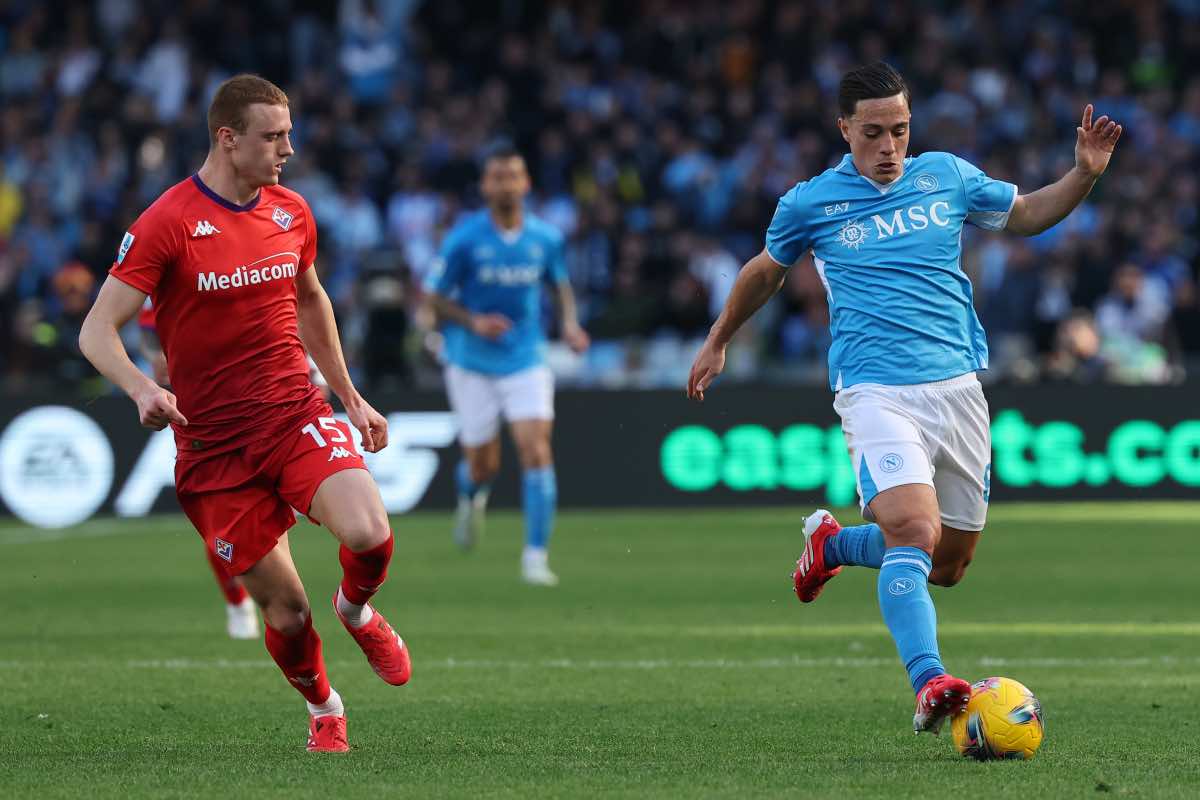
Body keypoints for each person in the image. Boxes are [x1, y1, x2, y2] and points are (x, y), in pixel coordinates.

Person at [687, 62, 1121, 736]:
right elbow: (765, 273)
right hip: (875, 391)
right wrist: (719, 339)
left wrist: (1085, 174)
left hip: (958, 389)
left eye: (899, 130)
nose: (888, 146)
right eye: (872, 133)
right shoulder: (810, 202)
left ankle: (833, 547)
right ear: (844, 129)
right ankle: (930, 682)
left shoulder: (945, 175)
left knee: (948, 564)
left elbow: (1027, 214)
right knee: (915, 531)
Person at [79, 74, 411, 753]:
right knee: (286, 611)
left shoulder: (291, 211)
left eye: (289, 135)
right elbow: (95, 331)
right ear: (228, 139)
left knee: (370, 533)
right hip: (214, 450)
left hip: (292, 412)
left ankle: (356, 610)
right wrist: (141, 388)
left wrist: (350, 396)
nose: (288, 149)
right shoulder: (167, 222)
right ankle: (324, 708)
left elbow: (310, 300)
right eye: (274, 137)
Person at [424, 140, 590, 586]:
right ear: (484, 186)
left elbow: (560, 285)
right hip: (471, 360)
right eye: (497, 177)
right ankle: (470, 494)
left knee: (536, 450)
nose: (506, 185)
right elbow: (433, 296)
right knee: (484, 466)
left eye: (513, 176)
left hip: (526, 356)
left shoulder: (545, 238)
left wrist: (569, 325)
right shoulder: (464, 238)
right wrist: (473, 321)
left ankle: (535, 557)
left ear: (526, 183)